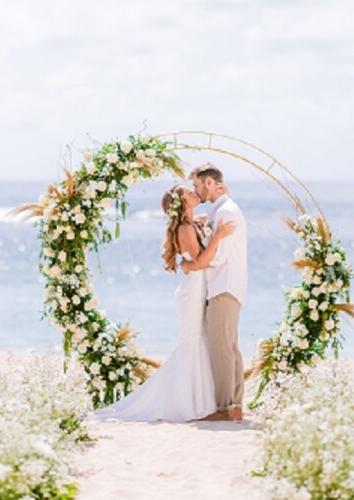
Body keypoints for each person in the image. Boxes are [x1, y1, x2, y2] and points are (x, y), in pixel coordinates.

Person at [92, 185, 235, 421]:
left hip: (198, 285)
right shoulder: (185, 229)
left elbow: (200, 243)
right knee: (192, 342)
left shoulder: (193, 223)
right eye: (189, 192)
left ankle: (199, 401)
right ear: (182, 202)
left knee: (199, 340)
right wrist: (218, 237)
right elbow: (199, 262)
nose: (193, 192)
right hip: (193, 290)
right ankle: (189, 404)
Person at [182, 163, 247, 422]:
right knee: (230, 348)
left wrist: (193, 263)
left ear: (210, 183)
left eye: (197, 185)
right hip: (229, 286)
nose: (196, 191)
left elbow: (217, 257)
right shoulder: (221, 210)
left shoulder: (226, 212)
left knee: (221, 349)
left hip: (223, 286)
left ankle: (224, 408)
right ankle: (235, 406)